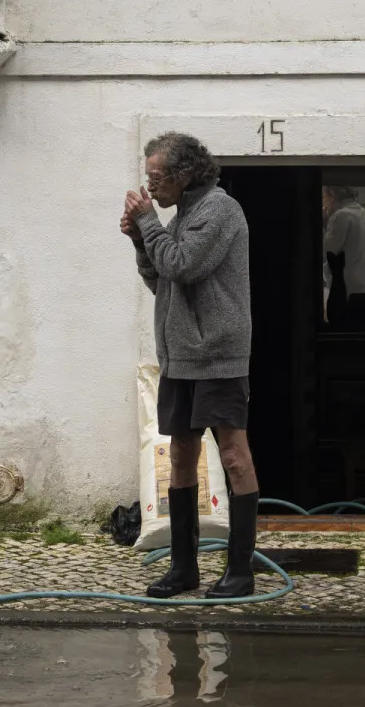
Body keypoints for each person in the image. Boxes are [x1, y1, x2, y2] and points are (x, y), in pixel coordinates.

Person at [121, 132, 261, 598]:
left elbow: (183, 265)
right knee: (180, 455)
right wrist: (143, 240)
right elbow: (161, 279)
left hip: (217, 356)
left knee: (233, 456)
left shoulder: (220, 210)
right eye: (148, 177)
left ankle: (239, 573)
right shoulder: (180, 217)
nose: (150, 185)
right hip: (180, 356)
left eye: (156, 177)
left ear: (183, 174)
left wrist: (147, 223)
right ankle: (185, 570)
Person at [323, 187, 365, 330]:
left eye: (324, 197)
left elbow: (329, 249)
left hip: (347, 291)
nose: (324, 202)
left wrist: (324, 220)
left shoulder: (340, 216)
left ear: (332, 196)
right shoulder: (364, 214)